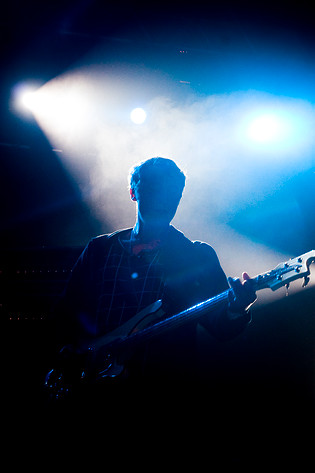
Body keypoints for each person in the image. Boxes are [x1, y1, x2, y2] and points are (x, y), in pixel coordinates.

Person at [49, 157, 256, 402]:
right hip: (93, 387)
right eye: (154, 189)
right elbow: (66, 315)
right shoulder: (100, 250)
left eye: (172, 193)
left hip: (162, 389)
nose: (163, 200)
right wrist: (76, 351)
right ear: (133, 193)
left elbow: (220, 327)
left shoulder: (195, 256)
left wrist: (236, 307)